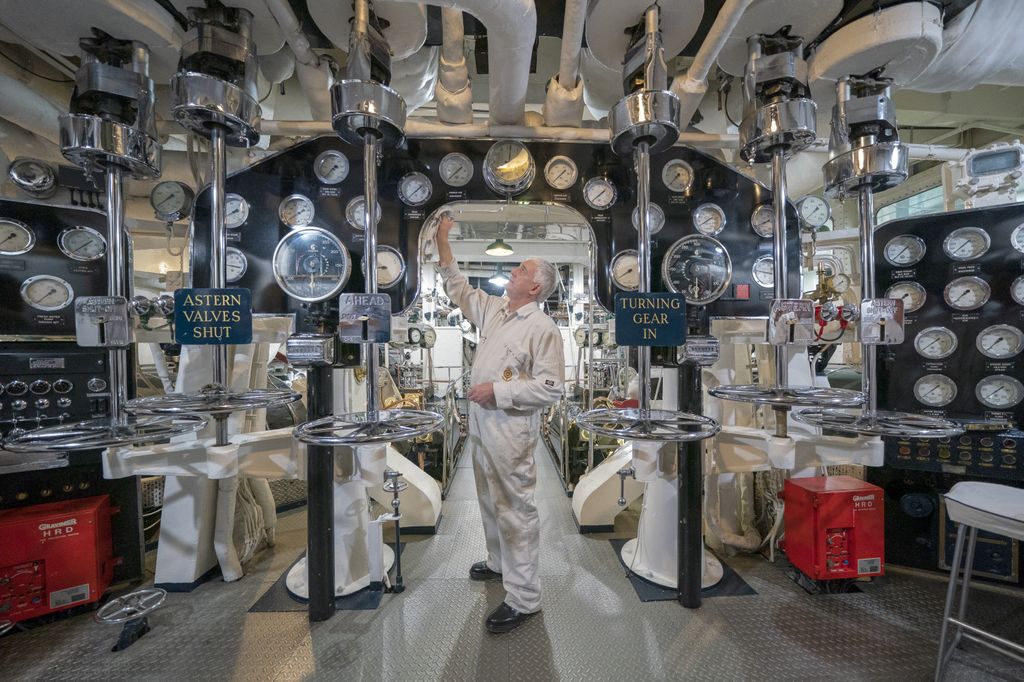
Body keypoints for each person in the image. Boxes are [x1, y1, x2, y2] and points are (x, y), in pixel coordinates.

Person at [435, 211, 565, 633]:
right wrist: (442, 239)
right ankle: (497, 562)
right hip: (481, 426)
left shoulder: (542, 327)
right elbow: (456, 286)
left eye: (521, 269)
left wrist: (499, 391)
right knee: (488, 501)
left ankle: (525, 598)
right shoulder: (495, 311)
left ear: (535, 286)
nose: (513, 271)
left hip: (509, 429)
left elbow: (550, 388)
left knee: (515, 510)